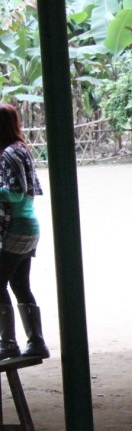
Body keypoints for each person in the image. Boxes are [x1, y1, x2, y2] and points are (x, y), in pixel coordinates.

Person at [0, 103, 49, 360]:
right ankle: (36, 342)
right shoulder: (21, 149)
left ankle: (8, 343)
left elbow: (16, 193)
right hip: (28, 226)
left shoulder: (9, 153)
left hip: (17, 229)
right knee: (20, 284)